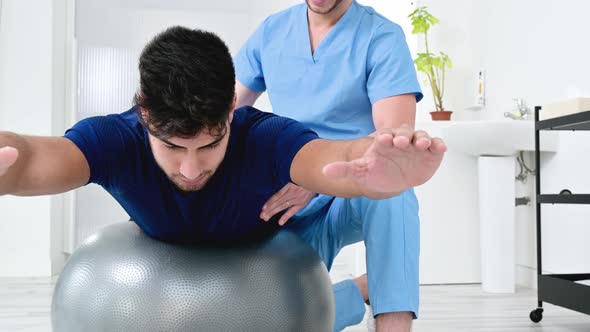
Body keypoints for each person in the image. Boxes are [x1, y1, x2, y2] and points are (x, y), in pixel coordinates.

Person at [0, 26, 445, 328]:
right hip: (205, 293)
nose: (191, 169)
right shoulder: (115, 139)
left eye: (209, 145)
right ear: (144, 114)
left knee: (385, 209)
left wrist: (375, 168)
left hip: (276, 259)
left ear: (231, 112)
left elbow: (328, 157)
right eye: (173, 148)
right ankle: (355, 294)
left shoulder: (264, 136)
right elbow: (34, 156)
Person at [234, 0, 423, 330]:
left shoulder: (381, 36)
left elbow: (394, 144)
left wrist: (315, 175)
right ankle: (361, 290)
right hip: (287, 200)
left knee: (394, 189)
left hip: (352, 191)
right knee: (265, 320)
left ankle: (392, 315)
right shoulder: (271, 32)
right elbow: (225, 115)